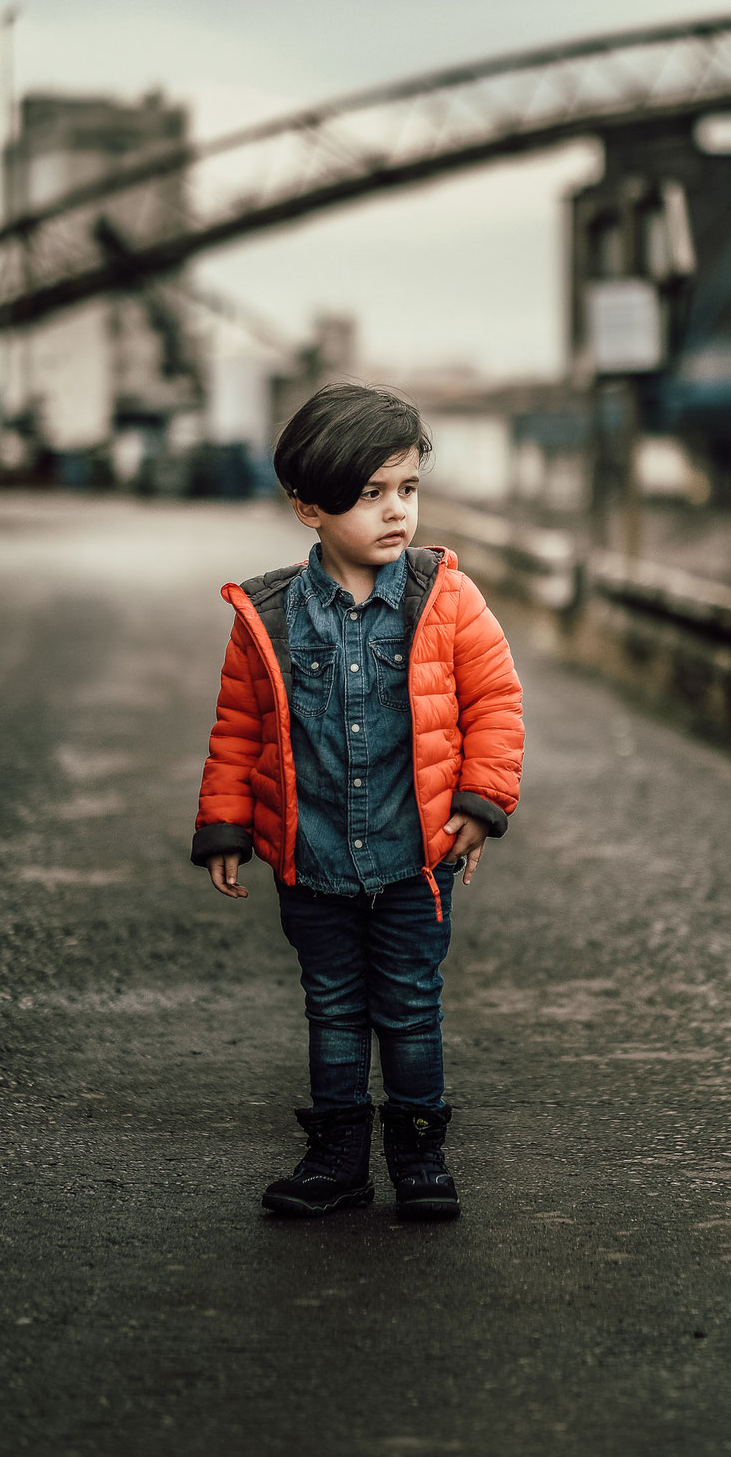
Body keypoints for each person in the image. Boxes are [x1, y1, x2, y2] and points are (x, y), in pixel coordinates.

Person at [191, 382, 524, 1221]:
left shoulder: (445, 596)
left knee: (411, 1004)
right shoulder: (268, 615)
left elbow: (497, 703)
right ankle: (337, 1158)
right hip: (314, 858)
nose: (396, 512)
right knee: (334, 1006)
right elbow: (239, 725)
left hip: (417, 855)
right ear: (308, 505)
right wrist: (226, 822)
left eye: (408, 489)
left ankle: (419, 1153)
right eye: (371, 493)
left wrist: (481, 805)